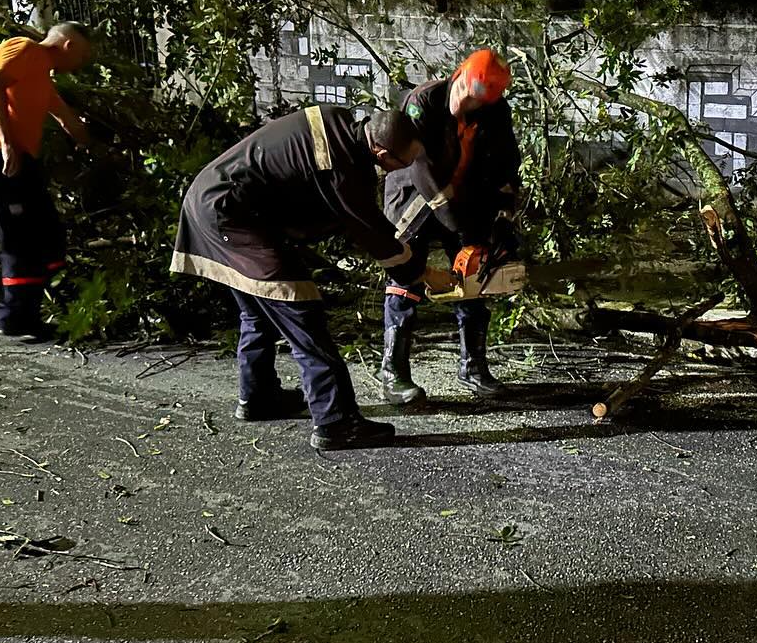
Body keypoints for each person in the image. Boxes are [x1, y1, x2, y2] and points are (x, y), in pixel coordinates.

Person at [171, 105, 425, 451]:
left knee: (257, 309)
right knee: (299, 304)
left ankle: (258, 397)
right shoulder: (342, 161)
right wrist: (418, 271)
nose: (402, 171)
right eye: (402, 164)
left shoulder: (343, 126)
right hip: (228, 214)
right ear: (381, 152)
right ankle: (336, 421)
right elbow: (367, 227)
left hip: (221, 204)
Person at [379, 49, 521, 403]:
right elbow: (421, 169)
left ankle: (473, 367)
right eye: (470, 97)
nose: (472, 105)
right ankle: (392, 373)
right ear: (459, 77)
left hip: (465, 197)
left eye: (481, 101)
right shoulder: (423, 102)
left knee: (474, 273)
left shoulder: (496, 110)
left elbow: (507, 162)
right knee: (405, 276)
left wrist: (503, 216)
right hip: (415, 197)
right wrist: (455, 221)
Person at [0, 22, 95, 340]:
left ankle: (50, 304)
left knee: (47, 230)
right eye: (83, 56)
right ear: (69, 46)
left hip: (19, 157)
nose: (80, 65)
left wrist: (99, 148)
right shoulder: (24, 48)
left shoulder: (41, 78)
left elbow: (67, 119)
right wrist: (7, 143)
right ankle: (14, 317)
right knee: (18, 236)